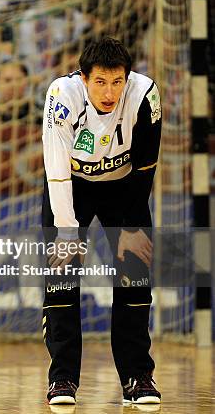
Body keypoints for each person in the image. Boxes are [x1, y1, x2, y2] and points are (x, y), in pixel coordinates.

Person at [41, 37, 162, 405]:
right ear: (83, 78)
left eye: (117, 81)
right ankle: (62, 379)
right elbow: (56, 167)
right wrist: (66, 231)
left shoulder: (146, 95)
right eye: (100, 82)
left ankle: (137, 377)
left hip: (126, 188)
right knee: (61, 278)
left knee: (135, 277)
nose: (109, 92)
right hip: (72, 187)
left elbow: (146, 166)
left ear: (128, 78)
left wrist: (129, 229)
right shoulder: (62, 95)